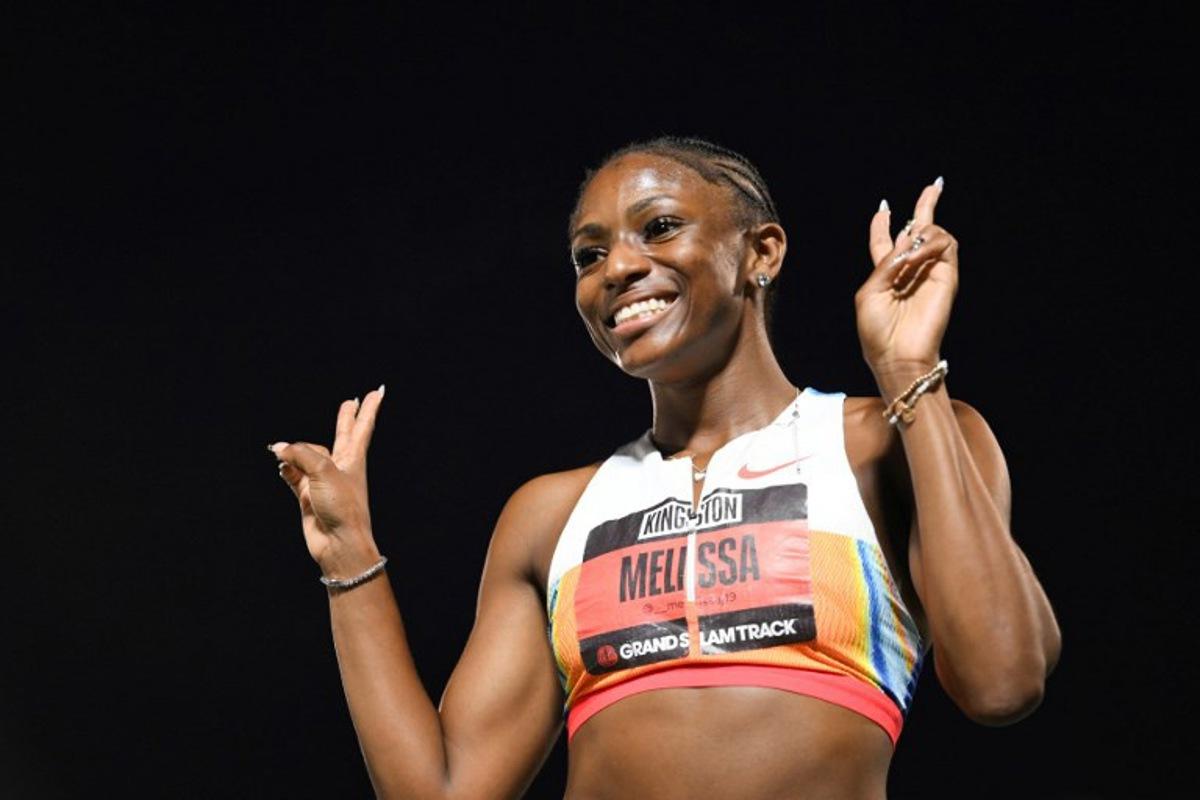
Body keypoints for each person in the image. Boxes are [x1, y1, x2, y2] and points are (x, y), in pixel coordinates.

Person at [269, 136, 1061, 799]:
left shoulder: (881, 441)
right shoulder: (551, 514)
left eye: (659, 226)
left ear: (762, 251)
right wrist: (352, 563)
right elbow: (442, 791)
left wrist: (905, 369)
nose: (616, 268)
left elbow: (1003, 681)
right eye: (590, 253)